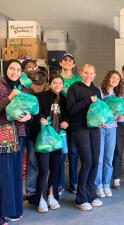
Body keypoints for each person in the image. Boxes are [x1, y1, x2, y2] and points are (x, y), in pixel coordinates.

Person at [29, 74, 69, 212]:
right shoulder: (40, 96)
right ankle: (40, 199)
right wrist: (40, 118)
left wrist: (66, 121)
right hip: (44, 140)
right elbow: (33, 112)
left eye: (60, 83)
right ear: (49, 83)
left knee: (55, 169)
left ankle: (52, 196)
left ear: (62, 85)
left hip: (57, 140)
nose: (57, 85)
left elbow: (68, 114)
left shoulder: (64, 99)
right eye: (54, 82)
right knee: (43, 170)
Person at [67, 64, 104, 211]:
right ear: (81, 73)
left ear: (94, 75)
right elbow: (71, 109)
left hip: (94, 129)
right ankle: (81, 198)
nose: (88, 75)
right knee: (87, 162)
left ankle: (90, 194)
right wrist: (88, 100)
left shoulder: (96, 90)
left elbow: (99, 110)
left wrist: (102, 122)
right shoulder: (74, 88)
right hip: (79, 128)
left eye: (91, 73)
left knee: (95, 162)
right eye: (86, 72)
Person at [0, 60, 32, 224]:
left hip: (19, 135)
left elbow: (30, 109)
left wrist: (29, 117)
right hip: (4, 134)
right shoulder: (1, 85)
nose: (15, 72)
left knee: (16, 172)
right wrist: (10, 96)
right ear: (6, 70)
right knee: (5, 173)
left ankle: (14, 209)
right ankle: (4, 210)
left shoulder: (23, 88)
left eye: (18, 69)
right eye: (12, 69)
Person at [21, 59, 49, 205]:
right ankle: (14, 191)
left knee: (32, 160)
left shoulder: (42, 85)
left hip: (34, 127)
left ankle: (31, 191)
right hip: (18, 126)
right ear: (22, 70)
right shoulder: (17, 84)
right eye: (28, 67)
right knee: (17, 160)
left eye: (34, 67)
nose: (32, 69)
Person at [94, 70, 124, 198]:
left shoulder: (119, 96)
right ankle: (98, 186)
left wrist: (121, 116)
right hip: (100, 130)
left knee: (108, 159)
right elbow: (95, 111)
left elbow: (121, 118)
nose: (115, 80)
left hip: (112, 130)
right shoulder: (99, 92)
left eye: (117, 79)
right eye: (113, 78)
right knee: (99, 160)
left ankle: (106, 184)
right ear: (108, 78)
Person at [58, 53, 81, 195]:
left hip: (74, 122)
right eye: (65, 60)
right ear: (60, 63)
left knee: (73, 152)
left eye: (70, 61)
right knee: (60, 153)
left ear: (73, 65)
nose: (67, 62)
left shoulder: (78, 80)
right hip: (59, 122)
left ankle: (73, 182)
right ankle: (60, 183)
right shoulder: (56, 79)